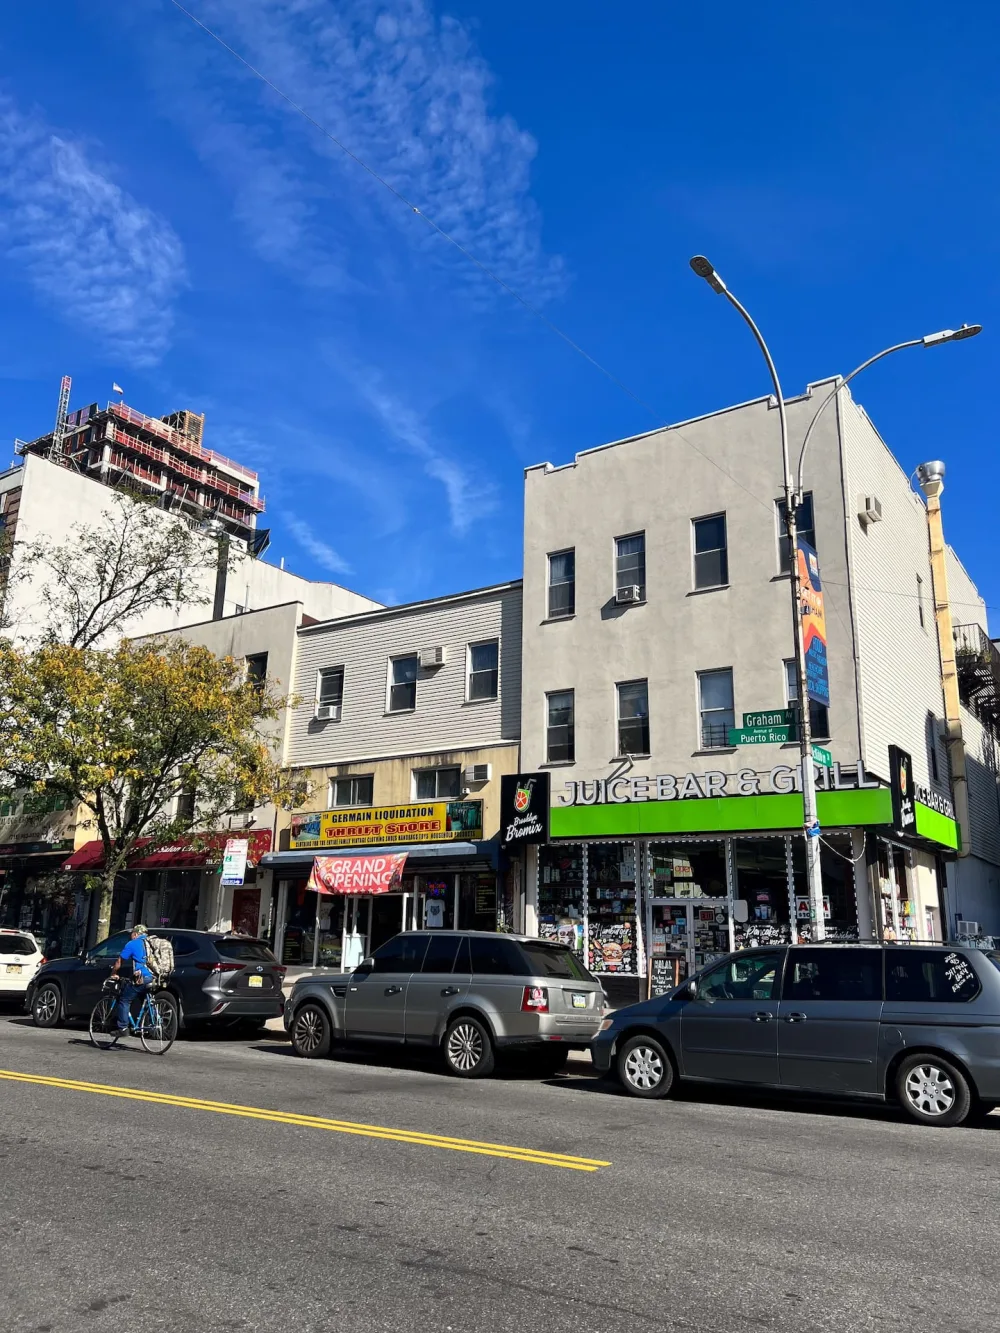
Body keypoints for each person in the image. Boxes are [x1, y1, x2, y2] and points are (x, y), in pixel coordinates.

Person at [110, 924, 154, 1034]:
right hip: (154, 976)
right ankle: (150, 1023)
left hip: (141, 977)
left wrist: (114, 973)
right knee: (144, 997)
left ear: (135, 934)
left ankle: (123, 1028)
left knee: (124, 999)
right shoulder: (151, 943)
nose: (131, 936)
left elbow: (120, 961)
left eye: (132, 934)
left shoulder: (133, 943)